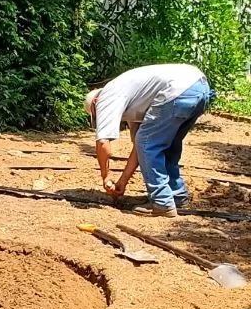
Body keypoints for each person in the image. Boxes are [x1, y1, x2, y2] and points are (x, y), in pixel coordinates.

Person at [85, 63, 213, 216]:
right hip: (199, 87)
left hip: (177, 90)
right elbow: (139, 149)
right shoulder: (134, 98)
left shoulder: (105, 96)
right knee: (167, 145)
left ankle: (162, 202)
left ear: (95, 104)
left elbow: (103, 142)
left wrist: (106, 176)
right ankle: (176, 195)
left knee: (148, 143)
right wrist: (123, 180)